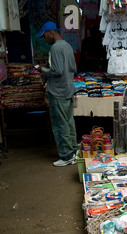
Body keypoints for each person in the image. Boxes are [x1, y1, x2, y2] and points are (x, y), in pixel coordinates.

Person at [37, 21, 78, 167]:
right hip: (68, 89)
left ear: (51, 32)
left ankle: (66, 155)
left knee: (60, 125)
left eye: (44, 36)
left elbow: (57, 71)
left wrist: (43, 70)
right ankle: (73, 152)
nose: (44, 39)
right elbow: (72, 67)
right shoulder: (67, 45)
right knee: (69, 123)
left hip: (58, 91)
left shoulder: (55, 48)